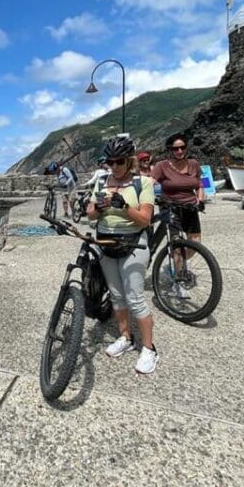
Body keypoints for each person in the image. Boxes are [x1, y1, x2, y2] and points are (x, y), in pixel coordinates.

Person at [86, 135, 158, 374]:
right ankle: (126, 337)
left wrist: (124, 206)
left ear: (129, 161)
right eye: (110, 162)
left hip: (133, 243)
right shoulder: (102, 181)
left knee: (135, 297)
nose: (114, 166)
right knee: (117, 296)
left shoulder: (142, 183)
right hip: (106, 242)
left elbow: (145, 219)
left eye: (119, 161)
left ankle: (149, 349)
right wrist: (98, 208)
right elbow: (90, 214)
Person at [151, 133, 205, 243]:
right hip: (170, 207)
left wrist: (200, 200)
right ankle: (175, 253)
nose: (180, 151)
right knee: (175, 242)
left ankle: (184, 254)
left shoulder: (194, 164)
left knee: (196, 241)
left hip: (190, 207)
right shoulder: (162, 166)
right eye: (176, 149)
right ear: (170, 150)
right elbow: (149, 184)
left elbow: (199, 185)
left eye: (183, 147)